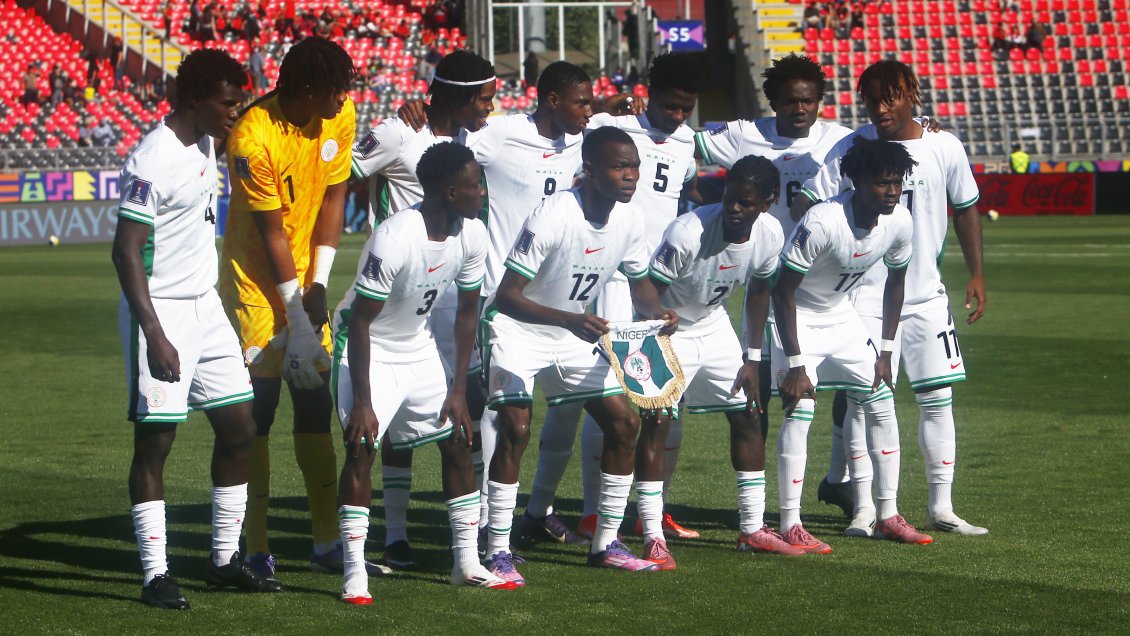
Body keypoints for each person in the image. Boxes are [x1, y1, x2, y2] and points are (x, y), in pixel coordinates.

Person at [112, 48, 281, 611]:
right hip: (160, 311)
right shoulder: (151, 159)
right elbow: (126, 252)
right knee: (156, 443)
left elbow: (270, 114)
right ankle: (155, 574)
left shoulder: (209, 140)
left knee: (240, 425)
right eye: (226, 103)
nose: (235, 112)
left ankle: (223, 560)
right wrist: (155, 334)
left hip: (205, 307)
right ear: (192, 100)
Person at [792, 60, 988, 537]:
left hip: (924, 296)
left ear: (911, 95)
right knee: (865, 402)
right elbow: (808, 200)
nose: (879, 108)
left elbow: (965, 208)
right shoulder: (852, 148)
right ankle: (865, 510)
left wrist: (978, 274)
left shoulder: (944, 144)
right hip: (862, 299)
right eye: (871, 99)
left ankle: (941, 507)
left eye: (889, 98)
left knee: (938, 399)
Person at [482, 126, 677, 584]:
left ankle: (606, 543)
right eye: (619, 166)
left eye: (634, 166)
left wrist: (658, 312)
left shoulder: (630, 219)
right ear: (589, 170)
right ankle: (497, 550)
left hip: (568, 332)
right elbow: (506, 298)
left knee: (624, 421)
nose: (631, 175)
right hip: (519, 331)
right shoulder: (554, 214)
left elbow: (641, 284)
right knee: (516, 427)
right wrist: (570, 320)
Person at [335, 143, 518, 603]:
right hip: (368, 348)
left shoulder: (472, 235)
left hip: (417, 346)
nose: (483, 193)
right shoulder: (395, 237)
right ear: (451, 191)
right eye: (477, 185)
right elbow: (359, 321)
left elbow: (466, 315)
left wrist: (458, 388)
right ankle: (354, 571)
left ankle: (466, 564)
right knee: (361, 450)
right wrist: (362, 401)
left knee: (459, 439)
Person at [532, 52, 703, 543]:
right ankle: (590, 512)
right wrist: (606, 105)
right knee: (603, 390)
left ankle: (654, 508)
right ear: (649, 95)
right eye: (670, 106)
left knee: (665, 395)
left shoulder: (688, 140)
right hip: (606, 276)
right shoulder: (607, 123)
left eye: (686, 108)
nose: (677, 117)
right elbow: (568, 121)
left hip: (654, 280)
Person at [345, 49, 496, 570]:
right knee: (390, 427)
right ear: (457, 94)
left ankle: (474, 545)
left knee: (461, 410)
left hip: (449, 292)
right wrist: (316, 269)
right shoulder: (397, 132)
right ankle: (395, 537)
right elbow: (336, 179)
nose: (488, 109)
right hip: (394, 293)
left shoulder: (464, 144)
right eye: (483, 98)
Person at [219, 36, 360, 588]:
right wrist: (297, 319)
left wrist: (319, 283)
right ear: (305, 89)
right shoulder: (252, 138)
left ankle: (326, 541)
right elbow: (269, 230)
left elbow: (334, 197)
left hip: (307, 281)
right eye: (336, 88)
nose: (345, 97)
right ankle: (254, 548)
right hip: (256, 284)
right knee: (261, 407)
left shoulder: (339, 113)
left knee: (313, 400)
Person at [694, 53, 856, 515]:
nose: (799, 109)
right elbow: (685, 143)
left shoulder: (841, 141)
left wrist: (927, 125)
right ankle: (760, 500)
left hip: (821, 282)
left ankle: (839, 478)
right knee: (759, 389)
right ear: (774, 102)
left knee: (849, 383)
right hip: (763, 276)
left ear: (820, 101)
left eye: (807, 101)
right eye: (789, 101)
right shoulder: (748, 134)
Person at [774, 137, 931, 551]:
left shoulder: (899, 220)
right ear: (856, 181)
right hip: (797, 316)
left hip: (841, 315)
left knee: (881, 401)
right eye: (882, 183)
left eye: (897, 182)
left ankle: (888, 515)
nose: (892, 192)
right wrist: (795, 363)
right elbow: (782, 290)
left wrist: (885, 350)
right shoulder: (823, 220)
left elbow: (896, 283)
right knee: (801, 409)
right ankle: (790, 523)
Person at [645, 155, 803, 564]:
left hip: (713, 327)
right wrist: (654, 330)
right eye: (731, 198)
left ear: (766, 204)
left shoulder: (770, 234)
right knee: (658, 422)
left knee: (749, 412)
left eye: (746, 203)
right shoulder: (687, 232)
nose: (735, 208)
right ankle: (650, 533)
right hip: (667, 327)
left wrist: (751, 359)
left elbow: (759, 293)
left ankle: (752, 529)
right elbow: (645, 289)